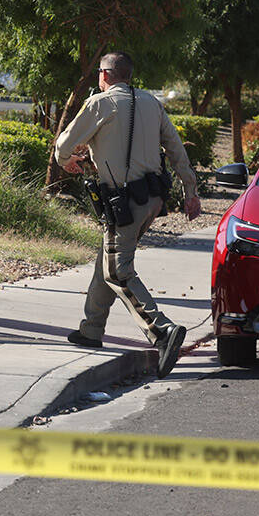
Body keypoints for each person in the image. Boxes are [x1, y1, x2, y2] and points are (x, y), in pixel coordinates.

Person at [55, 50, 202, 378]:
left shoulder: (100, 104)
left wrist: (67, 161)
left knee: (119, 271)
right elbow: (177, 150)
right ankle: (91, 329)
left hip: (122, 202)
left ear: (104, 76)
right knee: (107, 261)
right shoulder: (152, 103)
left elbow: (64, 146)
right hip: (151, 200)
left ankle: (162, 331)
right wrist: (190, 191)